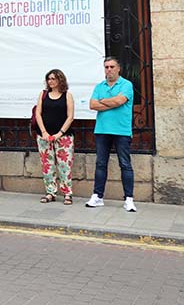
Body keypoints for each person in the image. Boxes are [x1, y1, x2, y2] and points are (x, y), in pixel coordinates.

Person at [86, 57, 137, 212]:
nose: (109, 70)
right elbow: (92, 105)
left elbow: (120, 101)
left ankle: (129, 199)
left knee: (125, 164)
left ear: (118, 68)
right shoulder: (99, 86)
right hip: (102, 130)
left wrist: (103, 102)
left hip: (121, 131)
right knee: (101, 164)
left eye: (112, 66)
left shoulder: (127, 84)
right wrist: (111, 102)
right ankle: (97, 196)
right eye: (106, 67)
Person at [35, 69, 76, 205]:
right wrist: (44, 132)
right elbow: (38, 114)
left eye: (54, 79)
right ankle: (50, 192)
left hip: (64, 137)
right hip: (44, 137)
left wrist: (59, 133)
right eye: (49, 79)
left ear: (60, 80)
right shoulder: (43, 94)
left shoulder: (67, 95)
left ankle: (67, 193)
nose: (51, 81)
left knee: (65, 166)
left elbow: (70, 117)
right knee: (47, 166)